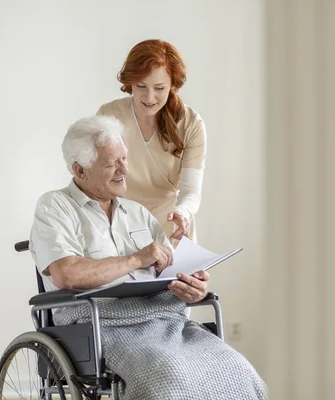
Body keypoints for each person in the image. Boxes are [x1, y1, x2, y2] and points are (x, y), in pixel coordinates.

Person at [29, 115, 267, 400]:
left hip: (164, 321)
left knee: (239, 373)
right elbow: (67, 274)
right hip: (99, 324)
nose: (124, 170)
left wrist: (192, 285)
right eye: (111, 163)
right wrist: (135, 259)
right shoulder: (55, 206)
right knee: (168, 381)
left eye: (124, 159)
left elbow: (170, 270)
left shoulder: (137, 212)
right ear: (80, 170)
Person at [97, 39, 205, 243]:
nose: (149, 96)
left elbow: (191, 191)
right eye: (141, 86)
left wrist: (183, 212)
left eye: (159, 88)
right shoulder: (109, 115)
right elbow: (96, 181)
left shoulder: (190, 124)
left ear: (173, 85)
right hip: (120, 228)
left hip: (169, 228)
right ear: (130, 83)